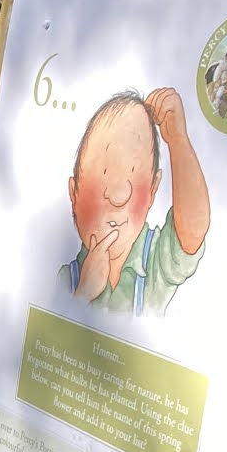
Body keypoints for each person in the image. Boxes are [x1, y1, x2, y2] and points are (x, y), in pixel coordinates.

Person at [61, 87, 211, 316]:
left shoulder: (155, 261)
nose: (119, 196)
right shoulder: (66, 279)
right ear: (74, 193)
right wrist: (83, 293)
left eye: (134, 174)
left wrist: (178, 141)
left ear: (152, 191)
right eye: (102, 173)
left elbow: (193, 231)